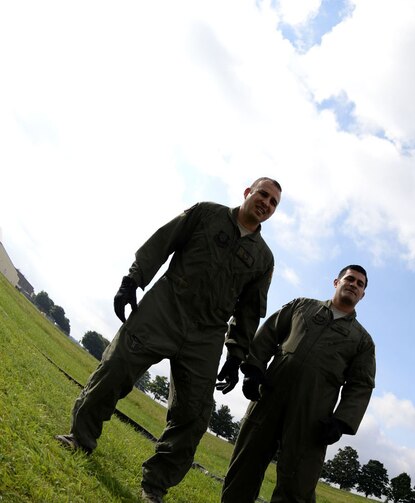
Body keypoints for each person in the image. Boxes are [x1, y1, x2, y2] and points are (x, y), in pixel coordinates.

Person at [55, 177, 282, 503]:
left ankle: (154, 487)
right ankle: (80, 438)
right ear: (248, 192)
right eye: (263, 195)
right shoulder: (207, 213)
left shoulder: (264, 259)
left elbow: (250, 310)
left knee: (194, 415)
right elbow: (164, 240)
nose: (266, 204)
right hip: (165, 307)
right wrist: (133, 278)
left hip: (207, 334)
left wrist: (235, 355)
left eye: (274, 203)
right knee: (115, 367)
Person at [220, 265, 376, 503]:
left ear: (363, 295)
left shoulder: (362, 341)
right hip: (269, 397)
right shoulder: (302, 307)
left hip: (313, 417)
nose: (354, 285)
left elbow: (361, 385)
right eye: (350, 279)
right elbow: (269, 334)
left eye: (360, 284)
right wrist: (253, 369)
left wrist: (341, 421)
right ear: (336, 282)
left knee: (298, 484)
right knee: (245, 466)